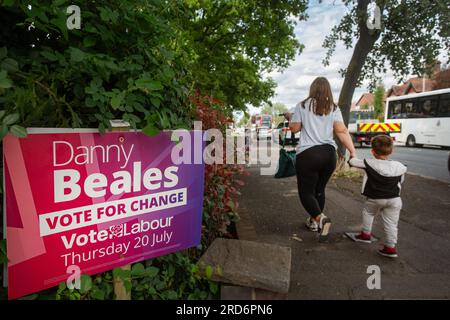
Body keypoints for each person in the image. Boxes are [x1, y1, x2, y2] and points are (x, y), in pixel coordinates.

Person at [289, 77, 356, 241]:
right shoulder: (333, 107)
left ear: (312, 89)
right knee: (319, 190)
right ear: (328, 90)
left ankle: (321, 219)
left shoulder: (302, 105)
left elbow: (294, 128)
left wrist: (291, 117)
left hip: (308, 155)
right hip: (329, 154)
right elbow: (341, 131)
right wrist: (352, 152)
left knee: (306, 192)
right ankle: (313, 222)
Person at [347, 135, 407, 258]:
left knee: (368, 213)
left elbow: (352, 162)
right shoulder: (400, 166)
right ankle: (390, 248)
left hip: (375, 198)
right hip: (394, 199)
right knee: (391, 223)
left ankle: (366, 235)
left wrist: (352, 155)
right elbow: (401, 181)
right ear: (391, 151)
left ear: (372, 151)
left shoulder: (369, 162)